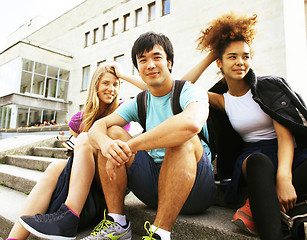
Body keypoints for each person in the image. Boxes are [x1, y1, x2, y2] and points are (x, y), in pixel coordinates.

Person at [182, 12, 307, 240]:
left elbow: (285, 136)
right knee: (260, 163)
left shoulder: (268, 88)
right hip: (255, 158)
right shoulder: (221, 99)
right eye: (232, 57)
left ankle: (268, 207)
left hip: (287, 153)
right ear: (220, 62)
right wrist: (212, 53)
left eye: (246, 56)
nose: (241, 62)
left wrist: (284, 179)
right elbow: (183, 87)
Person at [83, 32, 216, 240]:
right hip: (154, 185)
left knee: (182, 137)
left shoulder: (189, 92)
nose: (150, 65)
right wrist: (107, 144)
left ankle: (159, 234)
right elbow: (97, 127)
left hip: (195, 188)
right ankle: (117, 223)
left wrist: (132, 145)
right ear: (138, 68)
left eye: (156, 57)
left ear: (169, 62)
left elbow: (190, 124)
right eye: (142, 60)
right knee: (113, 133)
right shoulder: (141, 101)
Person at [7, 64, 146, 240]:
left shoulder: (122, 108)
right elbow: (77, 157)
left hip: (113, 176)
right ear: (95, 85)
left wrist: (124, 75)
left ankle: (69, 215)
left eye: (116, 84)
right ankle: (14, 238)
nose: (111, 89)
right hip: (87, 178)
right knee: (55, 166)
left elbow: (155, 91)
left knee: (86, 137)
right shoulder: (78, 120)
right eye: (106, 83)